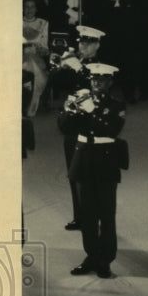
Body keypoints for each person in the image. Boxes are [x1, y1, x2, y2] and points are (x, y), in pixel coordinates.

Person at [59, 63, 126, 279]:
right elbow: (64, 127)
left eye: (102, 80)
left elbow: (111, 129)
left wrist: (93, 111)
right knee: (87, 215)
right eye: (94, 79)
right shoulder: (80, 100)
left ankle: (105, 259)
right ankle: (91, 256)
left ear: (110, 82)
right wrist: (71, 110)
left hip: (106, 160)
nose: (97, 83)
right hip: (83, 159)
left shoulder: (116, 104)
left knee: (106, 214)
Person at [48, 24, 106, 231]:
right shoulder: (74, 61)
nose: (83, 46)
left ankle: (95, 214)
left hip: (91, 122)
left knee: (90, 173)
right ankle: (80, 215)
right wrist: (61, 66)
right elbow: (54, 83)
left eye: (88, 42)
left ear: (97, 45)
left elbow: (95, 86)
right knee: (74, 170)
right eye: (81, 41)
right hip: (73, 120)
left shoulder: (101, 65)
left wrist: (78, 68)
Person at [22, 0, 50, 116]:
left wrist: (35, 49)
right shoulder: (14, 22)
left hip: (37, 57)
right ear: (23, 8)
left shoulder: (43, 23)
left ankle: (28, 105)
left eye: (32, 6)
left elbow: (44, 46)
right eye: (26, 6)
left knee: (31, 62)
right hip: (17, 57)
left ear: (36, 9)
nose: (29, 10)